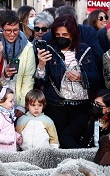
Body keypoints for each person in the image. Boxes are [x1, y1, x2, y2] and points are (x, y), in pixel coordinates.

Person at [33, 13, 101, 148]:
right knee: (59, 140)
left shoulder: (85, 50)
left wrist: (81, 76)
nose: (61, 38)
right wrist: (41, 65)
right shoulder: (49, 50)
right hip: (57, 105)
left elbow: (96, 76)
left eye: (65, 35)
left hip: (81, 105)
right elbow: (41, 81)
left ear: (73, 34)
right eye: (57, 35)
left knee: (74, 138)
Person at [14, 11, 52, 108]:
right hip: (31, 90)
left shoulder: (53, 47)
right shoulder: (28, 46)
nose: (40, 31)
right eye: (36, 28)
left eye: (44, 29)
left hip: (49, 91)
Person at [0, 10, 28, 90]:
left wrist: (23, 100)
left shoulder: (26, 45)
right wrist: (5, 74)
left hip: (19, 94)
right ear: (1, 28)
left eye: (15, 30)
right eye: (8, 30)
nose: (12, 34)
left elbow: (28, 78)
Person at [0, 86, 19, 151]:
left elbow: (7, 130)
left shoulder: (6, 112)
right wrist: (11, 139)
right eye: (11, 101)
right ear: (0, 102)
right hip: (1, 152)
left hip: (8, 151)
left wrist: (16, 136)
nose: (13, 103)